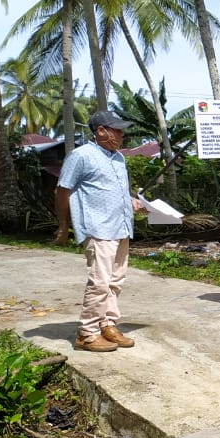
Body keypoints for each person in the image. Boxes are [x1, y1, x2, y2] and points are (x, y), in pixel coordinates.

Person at [52, 111, 146, 352]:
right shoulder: (81, 156)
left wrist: (132, 201)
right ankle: (88, 332)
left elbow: (113, 189)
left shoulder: (118, 158)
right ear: (100, 131)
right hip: (98, 228)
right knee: (100, 282)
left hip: (121, 227)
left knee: (115, 281)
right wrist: (63, 226)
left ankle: (108, 324)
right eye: (117, 130)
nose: (121, 135)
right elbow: (62, 191)